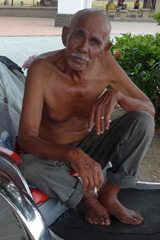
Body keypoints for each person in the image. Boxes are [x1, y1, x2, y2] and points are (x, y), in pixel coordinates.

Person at [18, 9, 155, 226]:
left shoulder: (106, 65)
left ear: (105, 49)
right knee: (29, 167)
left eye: (94, 42)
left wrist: (117, 95)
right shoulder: (42, 69)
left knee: (143, 121)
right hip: (51, 155)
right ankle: (85, 196)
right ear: (65, 36)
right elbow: (26, 138)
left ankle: (109, 195)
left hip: (91, 147)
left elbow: (148, 108)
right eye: (78, 35)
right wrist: (74, 155)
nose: (83, 48)